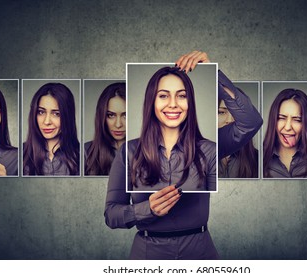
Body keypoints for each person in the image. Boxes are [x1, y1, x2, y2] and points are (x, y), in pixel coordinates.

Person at [104, 51, 263, 259]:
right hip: (147, 253)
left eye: (181, 95)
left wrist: (214, 73)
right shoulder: (129, 151)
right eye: (163, 96)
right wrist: (146, 209)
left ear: (190, 103)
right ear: (151, 102)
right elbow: (111, 215)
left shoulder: (209, 149)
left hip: (200, 251)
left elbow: (250, 122)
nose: (173, 104)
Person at [23, 82, 80, 176]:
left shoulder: (83, 156)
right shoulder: (20, 155)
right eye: (41, 112)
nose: (47, 122)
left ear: (67, 116)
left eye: (56, 114)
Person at [263, 88, 307, 178]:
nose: (288, 127)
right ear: (273, 120)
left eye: (297, 120)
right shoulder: (259, 158)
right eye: (282, 118)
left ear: (305, 124)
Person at [84, 82, 126, 176]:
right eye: (111, 115)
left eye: (125, 115)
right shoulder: (85, 152)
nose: (118, 124)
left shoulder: (146, 151)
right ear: (102, 116)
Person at [218, 89, 259, 178]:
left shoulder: (258, 159)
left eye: (236, 113)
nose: (229, 120)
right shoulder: (204, 156)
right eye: (221, 112)